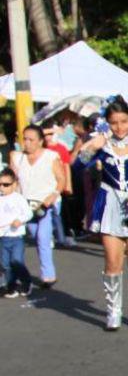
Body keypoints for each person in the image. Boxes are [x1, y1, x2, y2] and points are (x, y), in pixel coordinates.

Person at [78, 96, 128, 331]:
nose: (119, 127)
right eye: (114, 123)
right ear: (108, 123)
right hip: (110, 204)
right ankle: (113, 312)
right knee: (112, 260)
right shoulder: (103, 147)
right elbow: (79, 166)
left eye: (123, 121)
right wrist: (91, 145)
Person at [12, 124, 66, 289]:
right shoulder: (17, 157)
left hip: (45, 204)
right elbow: (14, 181)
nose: (27, 143)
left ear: (41, 141)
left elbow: (61, 179)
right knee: (36, 237)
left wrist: (53, 195)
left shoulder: (51, 156)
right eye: (25, 139)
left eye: (31, 140)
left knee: (43, 238)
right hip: (26, 205)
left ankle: (48, 276)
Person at [0, 166, 33, 297]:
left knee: (16, 261)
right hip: (3, 237)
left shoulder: (18, 198)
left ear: (14, 185)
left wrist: (20, 220)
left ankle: (26, 282)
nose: (2, 187)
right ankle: (11, 287)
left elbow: (29, 213)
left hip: (16, 237)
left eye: (6, 184)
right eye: (0, 184)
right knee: (5, 264)